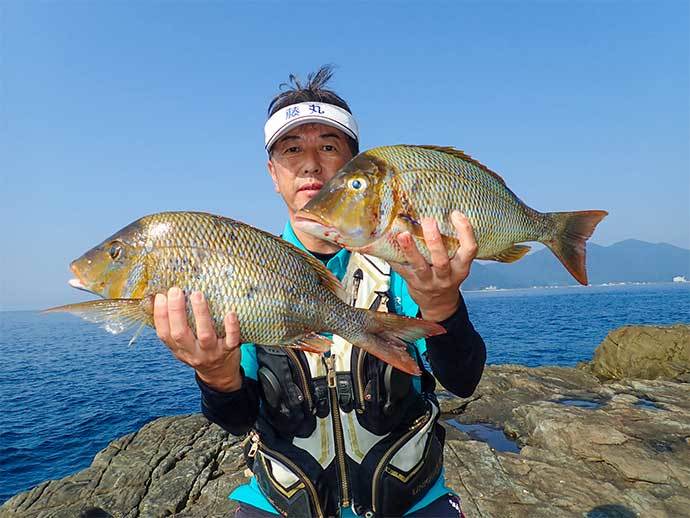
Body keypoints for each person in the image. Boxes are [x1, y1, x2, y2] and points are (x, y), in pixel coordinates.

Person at [153, 65, 486, 518]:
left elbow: (463, 381)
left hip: (412, 503)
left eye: (329, 146)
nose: (311, 162)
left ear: (358, 168)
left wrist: (445, 303)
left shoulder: (405, 264)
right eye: (292, 149)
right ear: (273, 172)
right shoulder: (242, 272)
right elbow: (236, 420)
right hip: (280, 506)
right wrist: (216, 374)